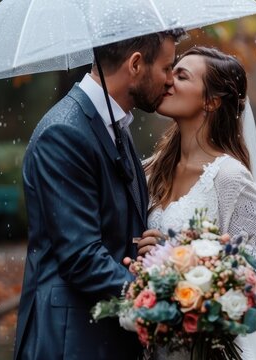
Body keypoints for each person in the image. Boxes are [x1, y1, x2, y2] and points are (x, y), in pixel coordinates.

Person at [13, 29, 185, 360]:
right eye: (166, 68)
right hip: (71, 339)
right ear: (136, 64)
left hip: (103, 335)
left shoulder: (116, 125)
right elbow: (81, 256)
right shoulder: (64, 132)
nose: (169, 80)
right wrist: (157, 300)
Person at [140, 46, 256, 360]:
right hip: (144, 344)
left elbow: (250, 281)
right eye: (171, 72)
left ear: (210, 101)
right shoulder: (147, 171)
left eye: (181, 76)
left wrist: (183, 266)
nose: (168, 81)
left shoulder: (231, 179)